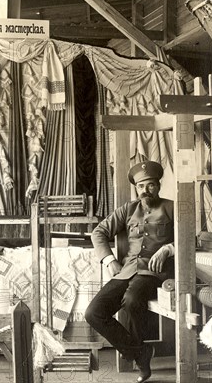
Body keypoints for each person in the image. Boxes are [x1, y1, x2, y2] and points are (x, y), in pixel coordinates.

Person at [85, 160, 175, 383]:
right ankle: (140, 353)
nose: (145, 190)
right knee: (93, 312)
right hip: (126, 271)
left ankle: (140, 360)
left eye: (150, 185)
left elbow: (190, 239)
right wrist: (109, 260)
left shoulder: (172, 207)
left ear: (158, 185)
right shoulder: (128, 209)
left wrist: (168, 249)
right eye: (141, 186)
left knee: (133, 299)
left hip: (154, 274)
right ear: (136, 188)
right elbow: (99, 232)